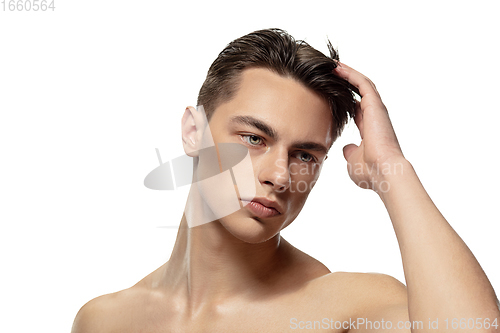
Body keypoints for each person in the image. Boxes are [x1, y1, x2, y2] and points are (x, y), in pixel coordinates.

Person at [71, 28, 500, 332]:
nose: (279, 175)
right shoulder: (104, 321)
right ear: (193, 132)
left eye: (305, 155)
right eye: (254, 138)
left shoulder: (343, 309)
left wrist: (391, 168)